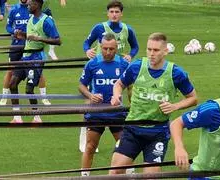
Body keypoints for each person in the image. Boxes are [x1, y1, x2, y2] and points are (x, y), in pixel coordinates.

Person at [109, 32, 198, 174]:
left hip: (157, 133)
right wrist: (116, 95)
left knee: (151, 176)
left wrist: (174, 106)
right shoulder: (136, 67)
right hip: (132, 129)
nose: (151, 54)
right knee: (114, 173)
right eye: (149, 49)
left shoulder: (176, 73)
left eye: (156, 50)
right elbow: (119, 84)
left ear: (165, 51)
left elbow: (193, 98)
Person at [80, 0, 139, 153]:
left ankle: (130, 121)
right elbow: (86, 43)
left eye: (117, 12)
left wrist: (130, 56)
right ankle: (85, 134)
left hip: (119, 68)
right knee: (92, 97)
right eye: (111, 12)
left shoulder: (127, 29)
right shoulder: (99, 28)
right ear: (107, 13)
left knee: (127, 94)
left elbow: (135, 46)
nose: (114, 14)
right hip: (100, 67)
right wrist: (87, 51)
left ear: (121, 13)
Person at [79, 33, 128, 177]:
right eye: (105, 48)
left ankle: (128, 175)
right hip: (96, 113)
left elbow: (131, 86)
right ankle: (84, 176)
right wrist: (90, 95)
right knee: (90, 147)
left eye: (111, 49)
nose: (108, 52)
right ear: (100, 47)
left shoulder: (124, 64)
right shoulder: (92, 64)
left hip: (118, 113)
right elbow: (82, 85)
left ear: (116, 47)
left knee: (125, 148)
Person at [9, 0, 61, 123]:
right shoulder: (30, 18)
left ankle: (37, 117)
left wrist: (39, 38)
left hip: (37, 58)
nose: (27, 6)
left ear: (37, 5)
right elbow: (31, 35)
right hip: (25, 56)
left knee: (29, 90)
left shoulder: (47, 21)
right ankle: (17, 118)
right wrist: (23, 35)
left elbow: (58, 40)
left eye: (30, 4)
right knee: (13, 84)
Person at [0, 0, 51, 106]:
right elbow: (8, 27)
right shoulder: (14, 10)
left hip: (32, 48)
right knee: (10, 71)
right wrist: (14, 31)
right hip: (16, 46)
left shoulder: (33, 9)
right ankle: (4, 97)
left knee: (39, 73)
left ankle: (44, 97)